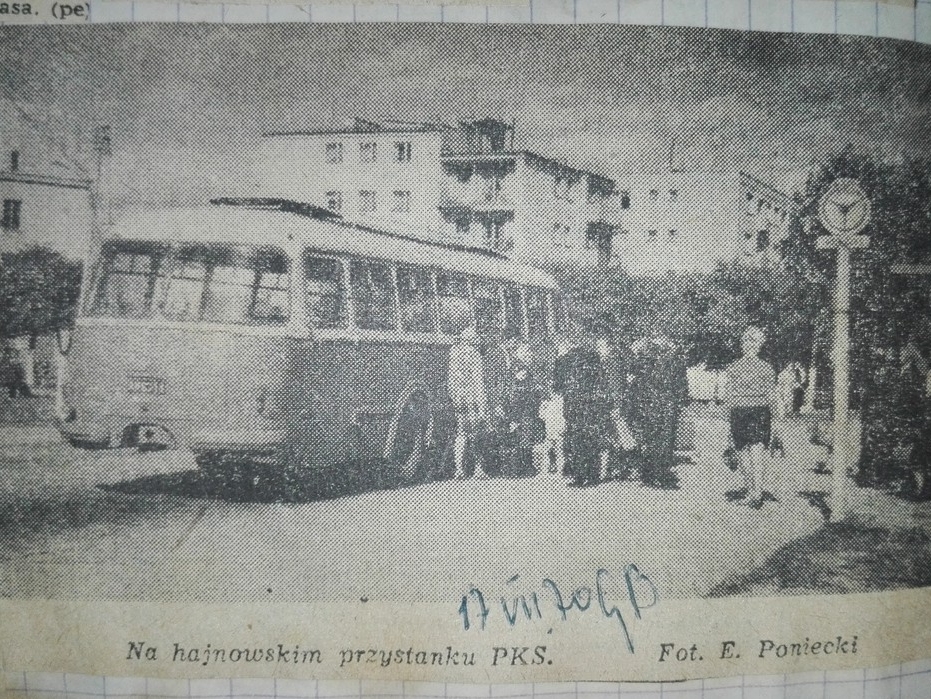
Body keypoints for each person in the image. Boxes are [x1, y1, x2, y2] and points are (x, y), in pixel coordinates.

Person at [722, 326, 777, 508]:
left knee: (742, 451)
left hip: (739, 410)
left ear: (744, 345)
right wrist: (776, 420)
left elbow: (727, 395)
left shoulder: (734, 367)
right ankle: (758, 492)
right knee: (758, 452)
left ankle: (750, 490)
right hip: (761, 411)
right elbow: (772, 396)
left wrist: (726, 418)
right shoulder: (767, 368)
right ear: (760, 346)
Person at [628, 335, 689, 489]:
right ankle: (658, 473)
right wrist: (682, 399)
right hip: (663, 402)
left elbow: (635, 378)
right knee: (663, 439)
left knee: (654, 438)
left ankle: (652, 473)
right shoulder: (673, 357)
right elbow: (681, 383)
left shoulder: (645, 356)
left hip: (653, 402)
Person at [447, 314, 490, 480]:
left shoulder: (454, 353)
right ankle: (478, 469)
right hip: (472, 397)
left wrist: (454, 398)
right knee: (477, 434)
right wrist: (482, 406)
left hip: (458, 396)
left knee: (461, 432)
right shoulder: (474, 355)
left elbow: (450, 379)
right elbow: (478, 382)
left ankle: (459, 469)